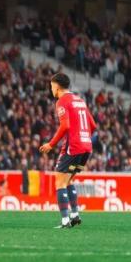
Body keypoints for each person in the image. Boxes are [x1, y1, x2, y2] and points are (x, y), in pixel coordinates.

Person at [40, 73, 97, 228]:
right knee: (68, 180)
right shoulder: (80, 100)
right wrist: (84, 136)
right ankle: (75, 214)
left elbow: (65, 126)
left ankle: (65, 221)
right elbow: (93, 125)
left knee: (59, 182)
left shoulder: (62, 101)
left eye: (51, 86)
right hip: (86, 146)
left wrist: (51, 144)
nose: (51, 89)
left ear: (57, 86)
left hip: (74, 146)